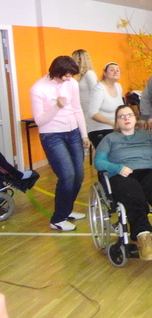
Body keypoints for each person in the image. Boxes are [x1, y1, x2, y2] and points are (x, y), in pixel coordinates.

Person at [95, 104, 152, 260]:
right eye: (121, 116)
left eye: (129, 115)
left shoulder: (147, 135)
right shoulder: (109, 139)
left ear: (135, 118)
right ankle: (143, 236)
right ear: (117, 121)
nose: (126, 119)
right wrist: (117, 168)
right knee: (134, 195)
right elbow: (99, 162)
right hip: (122, 174)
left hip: (148, 170)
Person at [30, 56, 90, 231]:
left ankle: (67, 210)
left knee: (78, 175)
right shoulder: (38, 88)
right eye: (65, 75)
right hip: (52, 135)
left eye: (71, 75)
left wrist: (84, 135)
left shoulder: (72, 83)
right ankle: (58, 218)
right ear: (56, 72)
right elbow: (39, 121)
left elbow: (77, 109)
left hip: (73, 133)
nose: (68, 78)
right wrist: (56, 106)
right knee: (67, 175)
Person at [87, 62, 124, 148]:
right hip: (100, 129)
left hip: (116, 129)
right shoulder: (99, 88)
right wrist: (112, 123)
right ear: (105, 73)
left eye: (117, 70)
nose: (115, 72)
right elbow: (92, 113)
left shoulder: (118, 87)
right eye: (112, 70)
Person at [72, 49, 98, 130]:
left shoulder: (89, 74)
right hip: (84, 110)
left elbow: (96, 92)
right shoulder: (82, 75)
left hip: (89, 111)